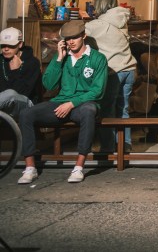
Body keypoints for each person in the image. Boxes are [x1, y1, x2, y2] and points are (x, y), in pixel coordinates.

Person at [18, 20, 108, 184]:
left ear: (84, 36)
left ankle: (79, 167)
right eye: (67, 38)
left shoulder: (98, 58)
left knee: (89, 111)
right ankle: (30, 167)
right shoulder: (62, 57)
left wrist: (72, 103)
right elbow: (49, 85)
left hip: (82, 104)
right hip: (60, 102)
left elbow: (97, 91)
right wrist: (58, 59)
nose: (71, 42)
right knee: (26, 114)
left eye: (74, 37)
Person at [86, 0, 137, 154]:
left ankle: (107, 147)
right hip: (129, 69)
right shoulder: (122, 19)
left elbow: (69, 34)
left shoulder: (96, 25)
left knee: (107, 109)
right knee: (123, 109)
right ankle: (125, 144)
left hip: (113, 71)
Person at [0, 26, 41, 119]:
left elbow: (23, 92)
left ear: (20, 44)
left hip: (25, 104)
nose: (6, 49)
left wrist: (15, 71)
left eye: (11, 45)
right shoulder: (1, 60)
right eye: (3, 45)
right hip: (3, 103)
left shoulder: (32, 63)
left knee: (10, 94)